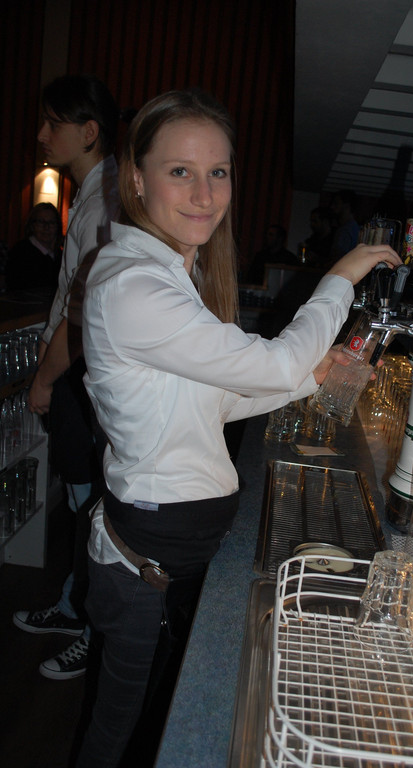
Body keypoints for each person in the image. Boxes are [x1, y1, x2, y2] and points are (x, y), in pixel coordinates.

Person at [74, 88, 400, 767]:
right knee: (120, 735)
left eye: (217, 172)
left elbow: (213, 404)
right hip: (148, 557)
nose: (203, 194)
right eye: (180, 171)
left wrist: (312, 377)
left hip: (161, 545)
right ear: (137, 179)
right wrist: (339, 277)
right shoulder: (136, 286)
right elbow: (274, 362)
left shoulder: (160, 273)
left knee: (138, 723)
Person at [12, 75, 119, 681]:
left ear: (89, 131)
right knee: (87, 504)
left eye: (54, 123)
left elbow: (85, 315)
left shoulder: (104, 204)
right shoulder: (94, 194)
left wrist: (46, 381)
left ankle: (89, 624)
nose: (41, 134)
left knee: (92, 507)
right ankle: (77, 607)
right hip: (81, 375)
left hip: (82, 376)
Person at [5, 203, 62, 294]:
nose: (46, 227)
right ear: (32, 225)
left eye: (51, 222)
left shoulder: (60, 255)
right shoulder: (21, 252)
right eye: (41, 222)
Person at [329, 189, 360, 264]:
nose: (332, 207)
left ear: (347, 206)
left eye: (336, 203)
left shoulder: (348, 230)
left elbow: (339, 258)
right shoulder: (349, 228)